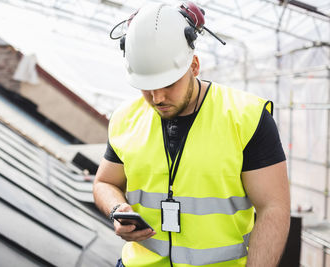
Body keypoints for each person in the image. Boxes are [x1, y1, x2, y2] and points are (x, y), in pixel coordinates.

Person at [93, 2, 290, 267]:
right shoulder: (124, 119)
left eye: (168, 83)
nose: (157, 97)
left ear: (194, 66)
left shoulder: (248, 118)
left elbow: (273, 209)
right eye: (146, 87)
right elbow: (104, 183)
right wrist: (117, 210)